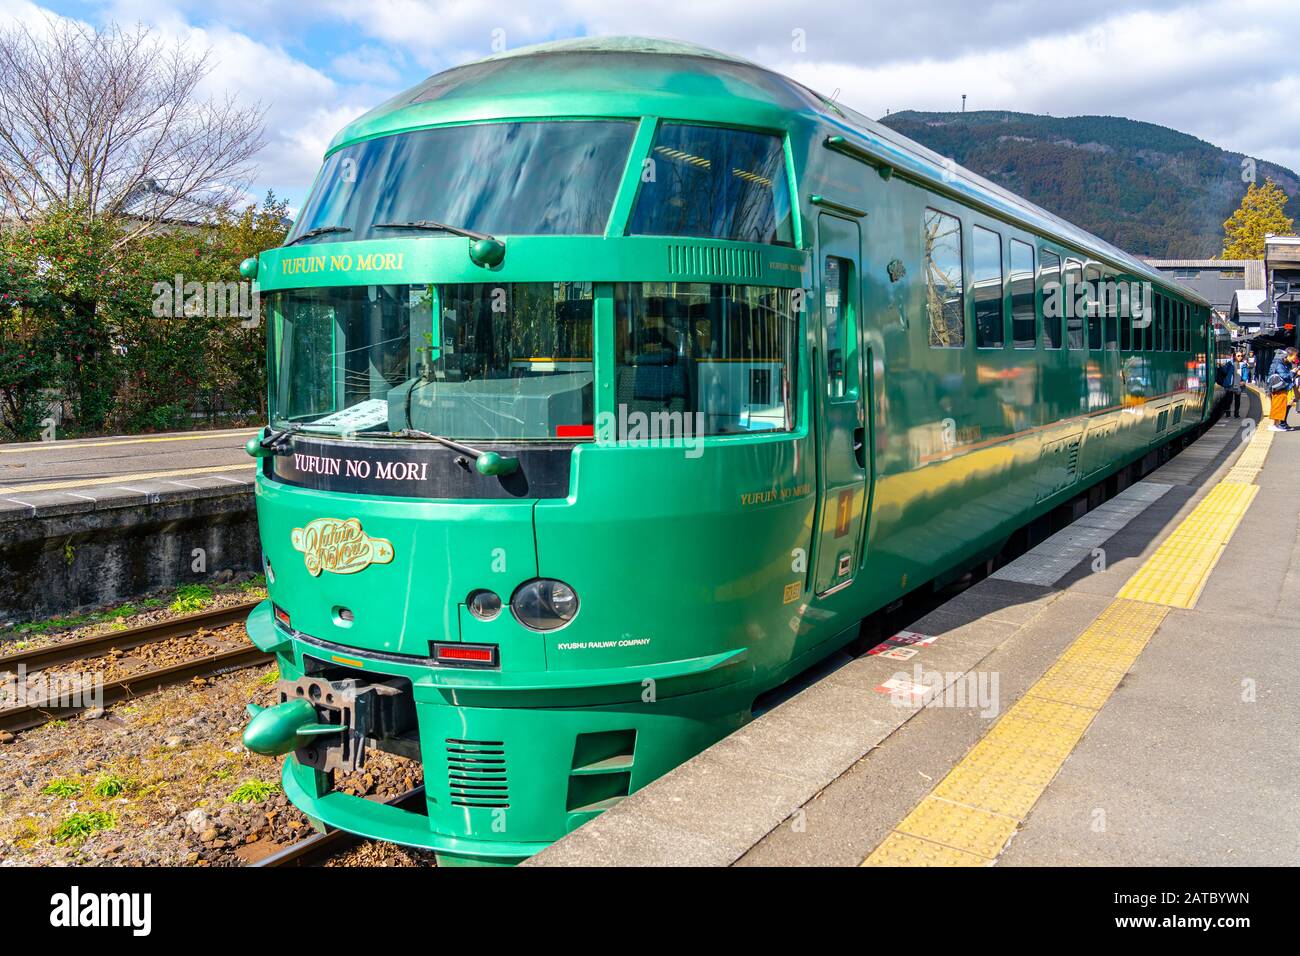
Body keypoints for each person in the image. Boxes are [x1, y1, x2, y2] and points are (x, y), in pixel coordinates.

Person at [1267, 348, 1297, 431]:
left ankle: (1277, 425)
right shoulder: (1279, 364)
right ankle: (1273, 425)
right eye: (1294, 356)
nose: (1294, 358)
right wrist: (1293, 372)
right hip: (1278, 388)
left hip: (1280, 388)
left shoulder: (1281, 363)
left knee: (1280, 406)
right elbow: (1284, 375)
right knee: (1278, 406)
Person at [1221, 353, 1244, 418]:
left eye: (1241, 356)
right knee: (1229, 400)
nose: (1240, 357)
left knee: (1237, 400)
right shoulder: (1230, 364)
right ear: (1234, 357)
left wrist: (1244, 380)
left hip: (1238, 384)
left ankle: (1236, 414)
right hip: (1230, 384)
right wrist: (1223, 366)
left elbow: (1245, 373)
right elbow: (1224, 371)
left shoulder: (1243, 365)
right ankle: (1228, 414)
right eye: (1238, 356)